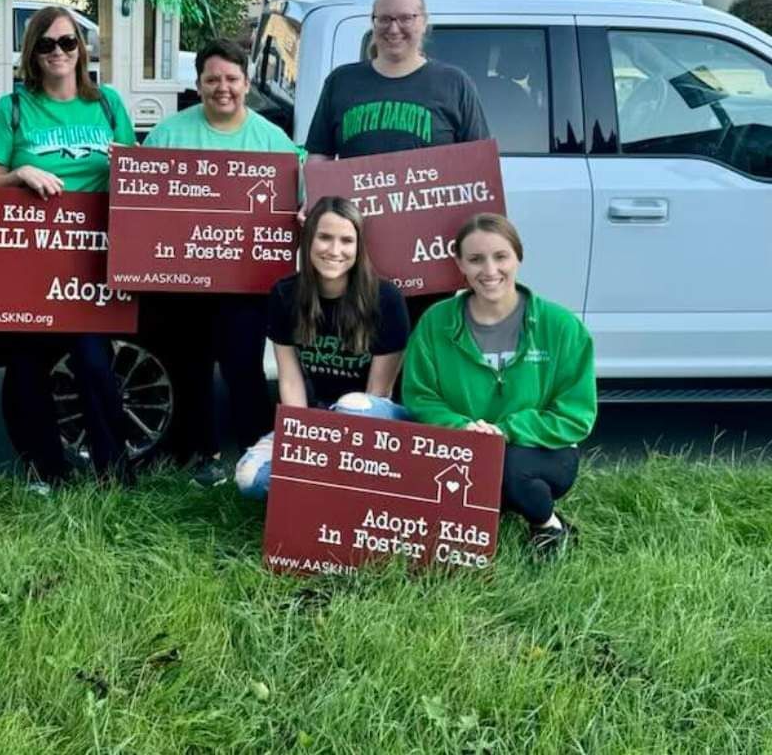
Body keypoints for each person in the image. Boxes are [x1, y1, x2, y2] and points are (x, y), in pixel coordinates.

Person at [0, 6, 137, 486]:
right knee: (27, 367)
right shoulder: (14, 108)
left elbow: (135, 176)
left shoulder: (107, 104)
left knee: (94, 361)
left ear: (81, 49)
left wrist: (123, 168)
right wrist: (19, 174)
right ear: (32, 53)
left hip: (91, 255)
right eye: (46, 44)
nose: (58, 52)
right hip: (29, 256)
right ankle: (45, 470)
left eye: (67, 42)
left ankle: (114, 473)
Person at [142, 37, 301, 485]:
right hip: (183, 280)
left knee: (243, 368)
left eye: (231, 79)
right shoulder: (168, 134)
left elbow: (296, 200)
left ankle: (255, 453)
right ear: (198, 84)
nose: (222, 87)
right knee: (189, 368)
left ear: (247, 84)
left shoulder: (272, 140)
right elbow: (140, 201)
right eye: (212, 79)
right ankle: (200, 454)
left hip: (246, 283)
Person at [401, 213, 596, 554]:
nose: (489, 271)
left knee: (508, 472)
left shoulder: (562, 327)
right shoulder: (436, 322)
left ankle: (547, 526)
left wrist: (506, 430)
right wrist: (462, 427)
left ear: (518, 257)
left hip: (541, 449)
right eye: (476, 259)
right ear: (459, 262)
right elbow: (420, 396)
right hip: (461, 444)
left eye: (501, 256)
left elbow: (576, 414)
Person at [304, 0, 491, 328]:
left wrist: (476, 249)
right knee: (359, 347)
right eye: (384, 19)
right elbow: (319, 157)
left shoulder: (454, 83)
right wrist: (313, 202)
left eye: (406, 18)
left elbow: (477, 172)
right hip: (355, 251)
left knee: (418, 351)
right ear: (373, 23)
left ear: (424, 22)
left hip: (429, 258)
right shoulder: (342, 82)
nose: (394, 28)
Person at [236, 196, 411, 498]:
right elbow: (289, 380)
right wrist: (302, 441)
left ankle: (341, 485)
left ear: (359, 247)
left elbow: (379, 392)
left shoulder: (386, 299)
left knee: (353, 404)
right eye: (325, 238)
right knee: (249, 478)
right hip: (317, 417)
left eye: (346, 240)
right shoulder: (285, 295)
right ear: (308, 239)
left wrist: (335, 449)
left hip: (375, 417)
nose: (334, 250)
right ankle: (320, 493)